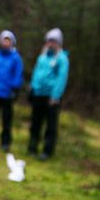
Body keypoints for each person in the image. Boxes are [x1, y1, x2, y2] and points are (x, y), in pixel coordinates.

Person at [28, 28, 69, 160]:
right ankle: (32, 147)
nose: (50, 44)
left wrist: (55, 96)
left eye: (53, 41)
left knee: (50, 125)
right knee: (35, 122)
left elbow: (61, 78)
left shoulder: (62, 58)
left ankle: (47, 151)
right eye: (49, 41)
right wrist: (32, 88)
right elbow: (36, 73)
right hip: (38, 94)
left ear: (59, 43)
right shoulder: (42, 57)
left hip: (51, 97)